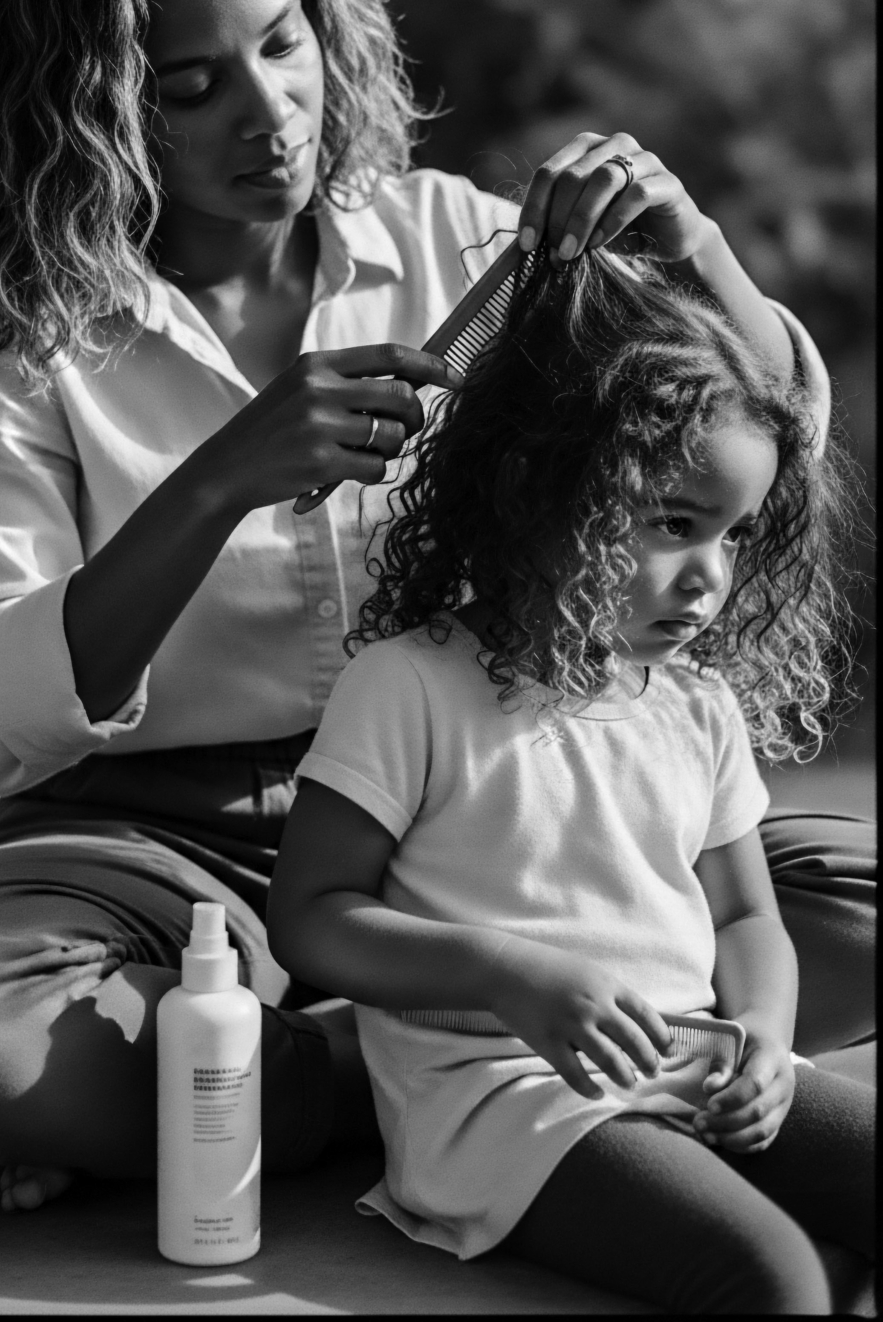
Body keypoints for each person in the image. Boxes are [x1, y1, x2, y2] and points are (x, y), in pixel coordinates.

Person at [0, 0, 873, 1217]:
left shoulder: (456, 245)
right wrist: (218, 477)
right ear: (89, 103)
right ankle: (391, 1063)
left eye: (283, 44)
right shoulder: (17, 328)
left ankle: (270, 1082)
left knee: (841, 899)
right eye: (190, 84)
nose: (269, 112)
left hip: (492, 815)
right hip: (163, 845)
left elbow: (766, 446)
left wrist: (695, 250)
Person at [267, 248, 873, 1314]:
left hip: (694, 1063)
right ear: (539, 490)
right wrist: (512, 974)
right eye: (673, 525)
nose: (709, 577)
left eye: (732, 536)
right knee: (772, 1280)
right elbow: (311, 920)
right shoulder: (408, 686)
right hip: (507, 1102)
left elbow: (746, 919)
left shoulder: (693, 706)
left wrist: (769, 1047)